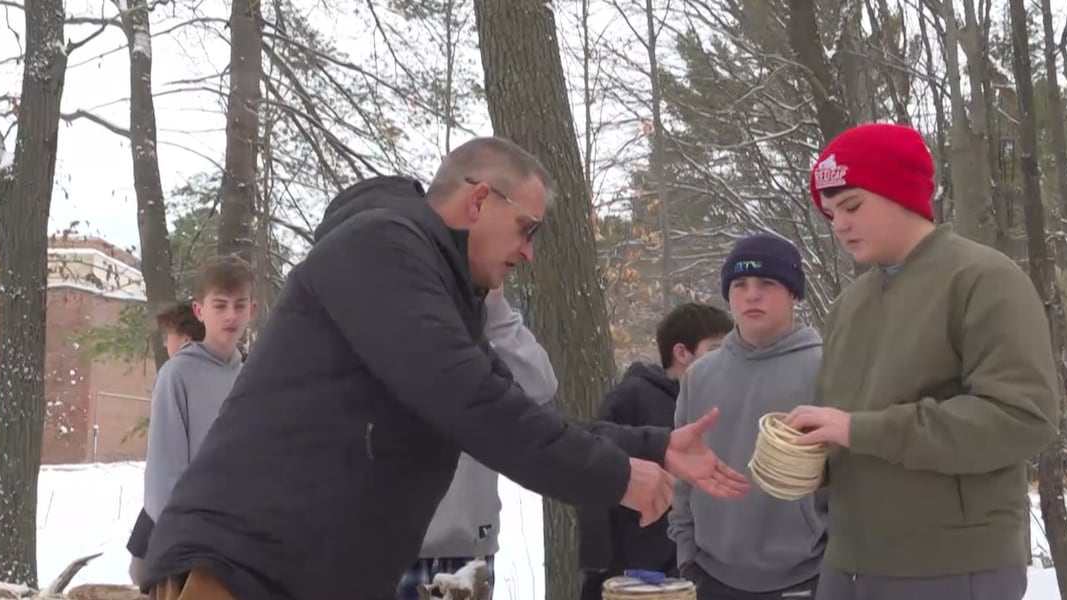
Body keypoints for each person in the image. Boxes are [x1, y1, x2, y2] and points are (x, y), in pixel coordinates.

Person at [140, 137, 750, 600]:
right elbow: (475, 406)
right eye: (527, 229)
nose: (528, 251)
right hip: (240, 570)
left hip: (312, 575)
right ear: (480, 199)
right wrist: (616, 476)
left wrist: (654, 446)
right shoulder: (382, 250)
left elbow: (514, 410)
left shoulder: (440, 291)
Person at [786, 123, 1060, 600]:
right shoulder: (848, 306)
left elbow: (1022, 417)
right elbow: (846, 430)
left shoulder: (983, 280)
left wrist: (857, 430)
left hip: (951, 567)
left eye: (852, 206)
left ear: (901, 193)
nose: (839, 225)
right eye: (830, 213)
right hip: (846, 566)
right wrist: (809, 459)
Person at [667, 234, 826, 600]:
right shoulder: (699, 375)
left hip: (806, 576)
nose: (752, 295)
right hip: (710, 575)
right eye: (740, 284)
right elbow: (682, 475)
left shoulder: (827, 368)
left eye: (766, 283)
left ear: (793, 294)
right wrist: (686, 555)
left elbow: (851, 479)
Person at [396, 285, 558, 599]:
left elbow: (541, 385)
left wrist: (495, 309)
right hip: (392, 545)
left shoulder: (479, 327)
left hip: (468, 544)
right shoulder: (388, 323)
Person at [578, 302, 734, 600]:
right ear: (682, 353)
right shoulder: (632, 397)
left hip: (698, 566)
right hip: (636, 571)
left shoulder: (715, 405)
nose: (724, 362)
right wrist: (597, 567)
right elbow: (597, 471)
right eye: (715, 350)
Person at [130, 258, 255, 587]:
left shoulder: (253, 379)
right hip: (190, 550)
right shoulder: (177, 375)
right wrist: (191, 542)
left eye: (239, 305)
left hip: (241, 548)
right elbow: (163, 479)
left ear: (252, 309)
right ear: (200, 311)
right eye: (220, 305)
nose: (230, 315)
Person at [127, 299, 208, 585]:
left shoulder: (175, 373)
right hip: (196, 507)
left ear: (185, 337)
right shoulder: (235, 370)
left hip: (178, 506)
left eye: (168, 334)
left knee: (145, 574)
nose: (164, 343)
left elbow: (166, 464)